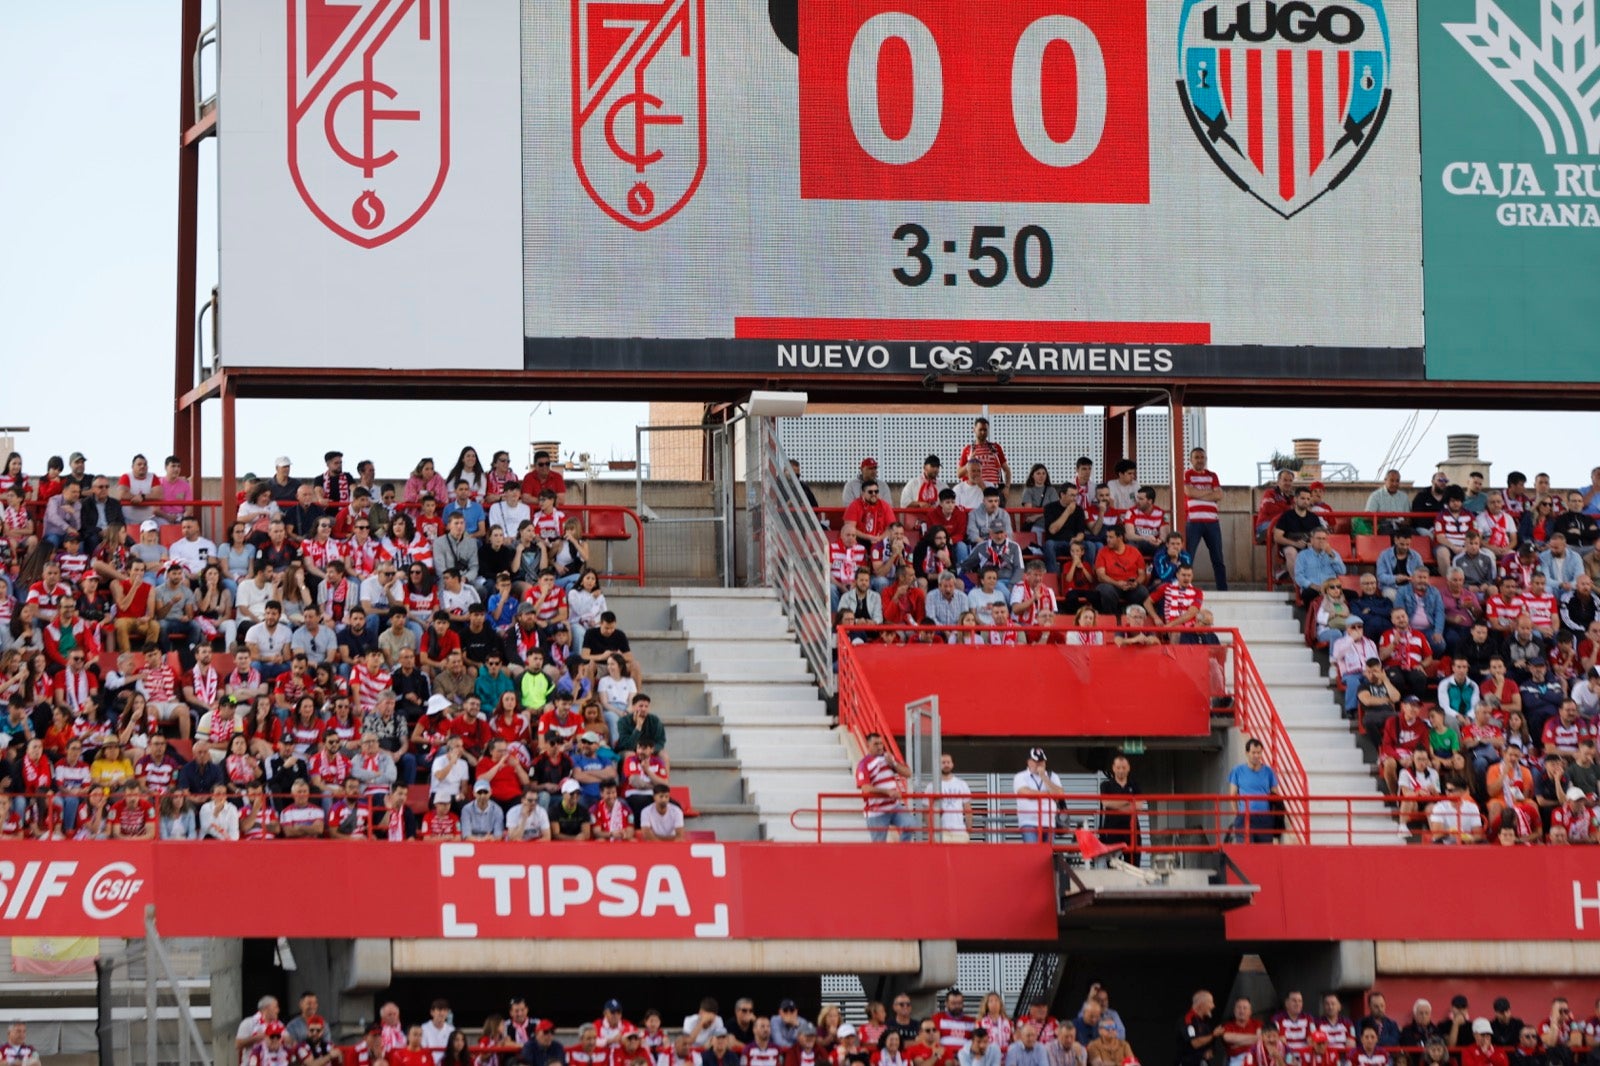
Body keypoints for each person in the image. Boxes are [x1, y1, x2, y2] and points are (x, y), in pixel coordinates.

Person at [857, 732, 916, 841]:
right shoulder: (863, 764)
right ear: (868, 746)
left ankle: (902, 854)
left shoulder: (889, 758)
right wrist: (887, 792)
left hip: (894, 806)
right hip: (875, 810)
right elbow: (865, 788)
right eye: (876, 744)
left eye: (881, 743)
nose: (880, 747)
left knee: (910, 824)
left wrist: (893, 764)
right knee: (879, 847)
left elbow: (908, 773)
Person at [1227, 738, 1279, 843]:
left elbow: (1275, 795)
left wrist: (1272, 816)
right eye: (1253, 753)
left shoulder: (1269, 772)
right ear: (1247, 753)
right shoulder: (1237, 770)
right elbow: (1232, 795)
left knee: (1264, 853)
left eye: (1259, 753)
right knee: (1246, 852)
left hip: (1264, 818)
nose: (1256, 756)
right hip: (1245, 817)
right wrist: (1237, 814)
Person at [1014, 747, 1064, 844]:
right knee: (1032, 854)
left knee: (1047, 855)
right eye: (1036, 761)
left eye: (1042, 761)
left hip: (1049, 823)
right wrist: (1049, 794)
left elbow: (1060, 795)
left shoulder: (1052, 776)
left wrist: (1044, 777)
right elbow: (1025, 792)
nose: (1039, 764)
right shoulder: (1020, 776)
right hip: (1028, 822)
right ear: (1029, 762)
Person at [1098, 754, 1140, 855]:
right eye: (1118, 767)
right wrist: (1129, 800)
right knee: (1113, 867)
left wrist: (1115, 806)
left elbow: (1138, 806)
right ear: (1113, 768)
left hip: (1132, 832)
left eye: (1124, 767)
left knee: (1133, 867)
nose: (1121, 770)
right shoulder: (1106, 785)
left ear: (1128, 768)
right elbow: (1106, 803)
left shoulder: (1135, 785)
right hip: (1112, 831)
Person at [1178, 991, 1221, 1066]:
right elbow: (1195, 1043)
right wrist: (1213, 1035)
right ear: (1201, 1004)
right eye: (1210, 1002)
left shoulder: (1205, 1022)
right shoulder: (1188, 1020)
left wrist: (1210, 1051)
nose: (1213, 1006)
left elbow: (1208, 1045)